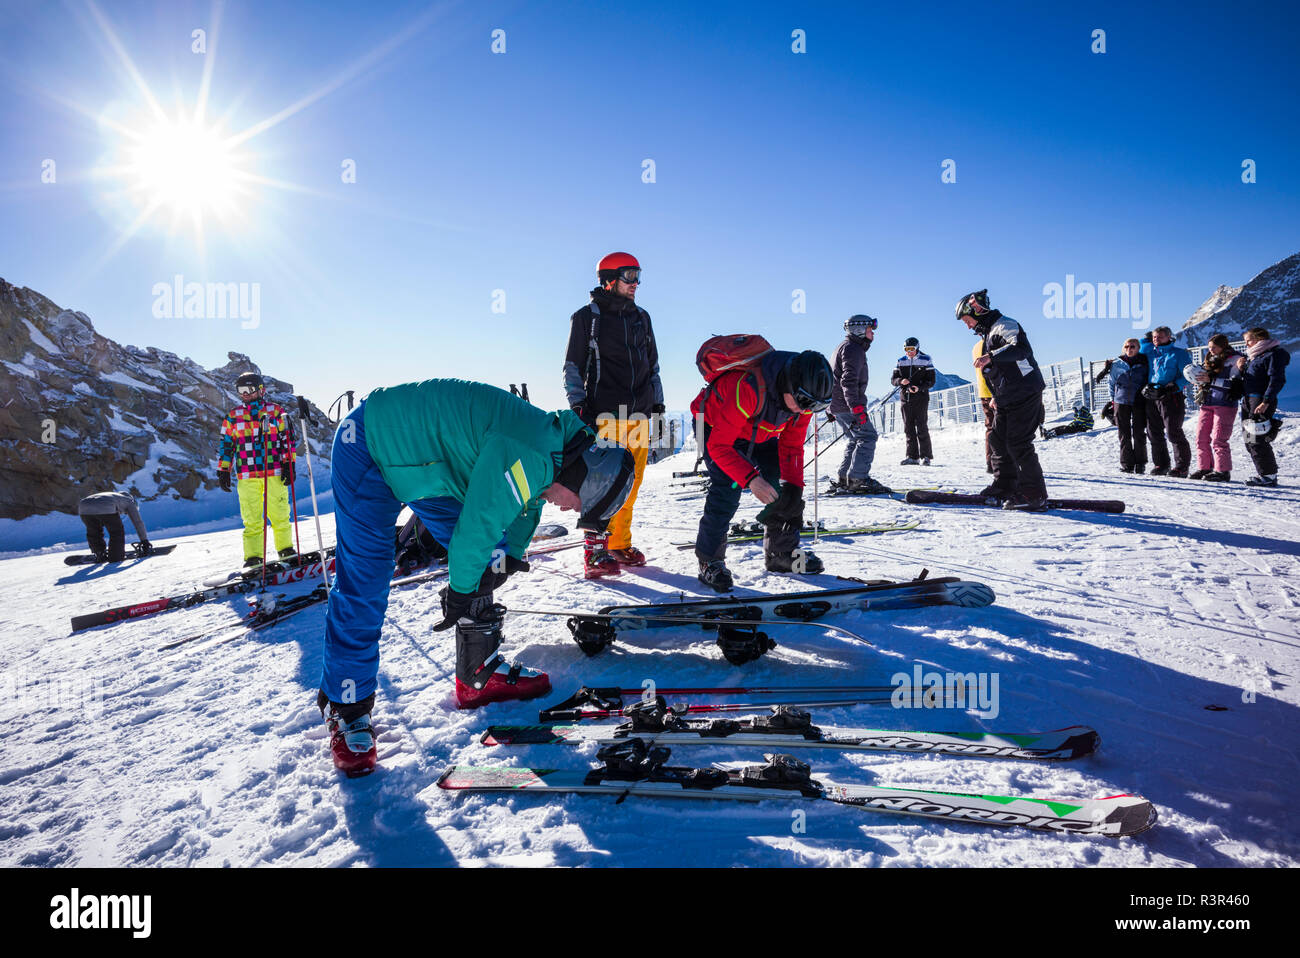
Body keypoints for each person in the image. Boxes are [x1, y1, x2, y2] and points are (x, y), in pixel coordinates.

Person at [318, 379, 635, 775]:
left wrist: (506, 561)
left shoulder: (552, 450)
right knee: (366, 577)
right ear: (582, 479)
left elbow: (524, 511)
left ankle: (477, 675)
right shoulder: (528, 453)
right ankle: (348, 707)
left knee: (487, 555)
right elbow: (477, 528)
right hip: (370, 444)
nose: (572, 512)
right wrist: (461, 590)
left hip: (430, 463)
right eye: (580, 506)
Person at [692, 347, 832, 591]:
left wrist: (793, 490)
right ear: (789, 384)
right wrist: (751, 480)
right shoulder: (747, 388)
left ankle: (782, 553)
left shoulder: (803, 400)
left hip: (759, 428)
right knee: (727, 486)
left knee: (783, 486)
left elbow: (791, 448)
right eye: (804, 403)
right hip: (714, 427)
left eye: (814, 406)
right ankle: (709, 561)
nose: (805, 410)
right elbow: (720, 446)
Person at [563, 252, 665, 578]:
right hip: (604, 414)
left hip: (638, 414)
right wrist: (578, 406)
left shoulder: (642, 318)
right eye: (628, 276)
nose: (635, 283)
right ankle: (595, 551)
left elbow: (653, 366)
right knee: (602, 483)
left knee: (630, 485)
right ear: (608, 279)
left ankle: (618, 543)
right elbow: (572, 367)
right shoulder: (586, 318)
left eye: (638, 276)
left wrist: (658, 406)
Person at [957, 289, 1049, 509]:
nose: (968, 326)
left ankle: (1034, 494)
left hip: (1025, 392)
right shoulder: (988, 332)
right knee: (998, 440)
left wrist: (992, 356)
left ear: (976, 312)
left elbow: (1021, 349)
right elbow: (999, 372)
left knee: (1018, 442)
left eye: (967, 320)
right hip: (1007, 396)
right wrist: (997, 396)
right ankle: (1006, 485)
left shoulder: (1004, 325)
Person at [217, 372, 298, 568]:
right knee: (251, 517)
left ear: (261, 390)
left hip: (274, 471)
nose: (245, 394)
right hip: (247, 474)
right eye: (241, 391)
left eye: (249, 390)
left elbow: (288, 440)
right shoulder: (233, 417)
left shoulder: (276, 412)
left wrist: (289, 464)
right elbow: (226, 445)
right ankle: (254, 558)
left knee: (279, 513)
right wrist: (224, 469)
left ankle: (286, 550)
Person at [828, 315, 890, 494]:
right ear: (860, 330)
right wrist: (856, 408)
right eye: (871, 330)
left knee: (855, 438)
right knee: (867, 437)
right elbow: (848, 381)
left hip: (838, 405)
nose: (873, 334)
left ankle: (845, 477)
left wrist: (830, 408)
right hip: (847, 404)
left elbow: (834, 377)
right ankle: (858, 479)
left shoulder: (844, 347)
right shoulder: (853, 349)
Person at [1235, 326, 1290, 487]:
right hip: (1248, 400)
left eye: (1248, 341)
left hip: (1259, 401)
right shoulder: (1255, 356)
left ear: (1259, 339)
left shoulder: (1273, 354)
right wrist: (1241, 368)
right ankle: (1265, 473)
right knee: (1249, 439)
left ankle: (1269, 475)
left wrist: (1266, 401)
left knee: (1257, 438)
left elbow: (1277, 379)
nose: (1246, 345)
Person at [1187, 333, 1243, 481]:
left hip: (1225, 404)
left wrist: (1210, 380)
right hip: (1208, 402)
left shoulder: (1235, 360)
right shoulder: (1210, 360)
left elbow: (1235, 385)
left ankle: (1223, 471)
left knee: (1219, 439)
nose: (1211, 350)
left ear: (1223, 346)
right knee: (1201, 437)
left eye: (1214, 348)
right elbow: (1208, 380)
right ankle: (1205, 467)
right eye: (1209, 347)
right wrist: (1199, 380)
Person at [1140, 326, 1193, 477]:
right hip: (1152, 396)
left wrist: (1174, 386)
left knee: (1173, 431)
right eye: (1154, 337)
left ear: (1169, 337)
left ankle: (1182, 467)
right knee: (1153, 432)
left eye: (1160, 337)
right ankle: (1161, 464)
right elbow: (1141, 348)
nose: (1156, 339)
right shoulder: (1151, 352)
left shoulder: (1178, 353)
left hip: (1171, 396)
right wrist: (1145, 338)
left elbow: (1188, 374)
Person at [892, 336, 937, 465]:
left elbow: (931, 381)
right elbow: (893, 380)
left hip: (921, 398)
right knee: (908, 427)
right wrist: (901, 381)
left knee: (922, 426)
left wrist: (919, 387)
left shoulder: (926, 360)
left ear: (917, 348)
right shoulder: (900, 361)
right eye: (906, 349)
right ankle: (912, 457)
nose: (909, 352)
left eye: (911, 349)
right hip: (905, 398)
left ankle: (926, 456)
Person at [1107, 338, 1150, 473]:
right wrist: (1113, 401)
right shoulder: (1116, 364)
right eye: (1126, 346)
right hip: (1121, 401)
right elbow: (1111, 383)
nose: (1129, 349)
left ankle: (1140, 463)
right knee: (1123, 434)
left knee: (1138, 433)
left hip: (1139, 401)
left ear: (1138, 348)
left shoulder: (1144, 362)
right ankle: (1127, 464)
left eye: (1132, 346)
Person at [77, 491, 152, 561]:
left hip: (83, 506)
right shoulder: (129, 501)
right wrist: (144, 541)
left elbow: (99, 512)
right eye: (125, 512)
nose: (124, 513)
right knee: (116, 532)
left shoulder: (113, 496)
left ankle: (99, 553)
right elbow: (138, 522)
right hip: (105, 504)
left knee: (94, 531)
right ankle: (116, 557)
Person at [973, 339, 994, 472]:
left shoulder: (976, 347)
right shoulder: (991, 344)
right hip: (995, 391)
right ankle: (1000, 462)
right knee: (1003, 428)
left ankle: (990, 462)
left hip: (983, 392)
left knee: (990, 428)